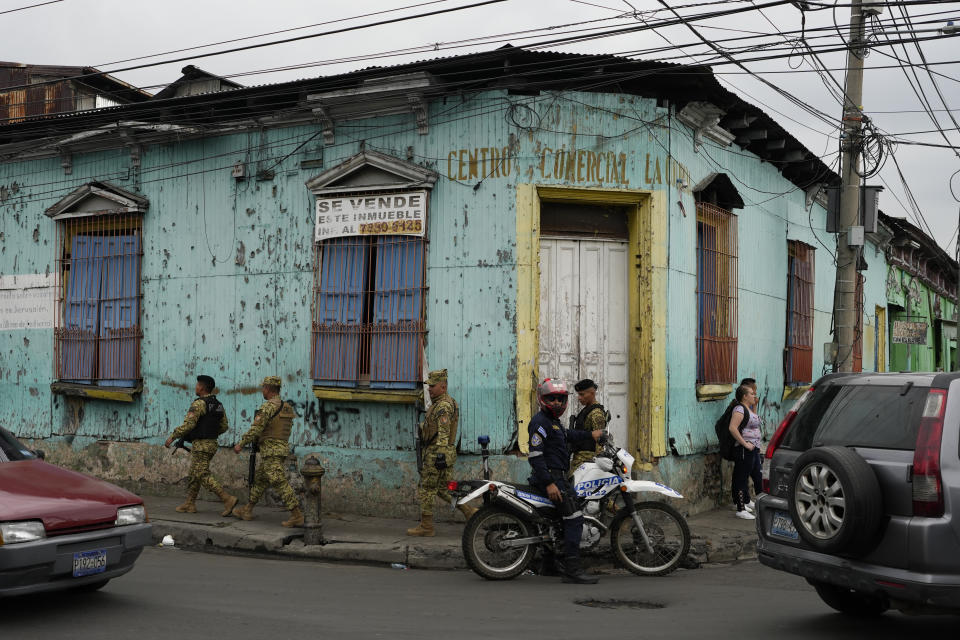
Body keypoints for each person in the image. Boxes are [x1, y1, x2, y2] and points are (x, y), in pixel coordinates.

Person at [528, 378, 604, 584]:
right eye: (551, 399)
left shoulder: (553, 423)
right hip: (552, 478)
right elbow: (535, 456)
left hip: (557, 476)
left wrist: (592, 434)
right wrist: (549, 483)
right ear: (543, 399)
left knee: (555, 521)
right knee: (574, 517)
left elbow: (568, 434)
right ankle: (573, 569)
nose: (557, 403)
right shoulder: (540, 422)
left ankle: (549, 564)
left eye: (560, 399)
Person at [407, 369, 477, 537]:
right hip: (444, 452)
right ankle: (469, 511)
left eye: (433, 386)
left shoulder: (443, 406)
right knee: (443, 488)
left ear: (443, 387)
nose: (429, 389)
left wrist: (440, 454)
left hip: (437, 452)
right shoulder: (441, 402)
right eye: (428, 386)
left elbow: (443, 432)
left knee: (426, 488)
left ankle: (426, 526)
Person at [231, 376, 303, 528]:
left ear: (269, 389)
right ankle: (247, 509)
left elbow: (256, 429)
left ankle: (297, 514)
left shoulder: (268, 407)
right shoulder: (287, 407)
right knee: (261, 480)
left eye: (263, 387)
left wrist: (241, 444)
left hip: (271, 450)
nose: (262, 390)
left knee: (278, 480)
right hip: (281, 448)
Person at [164, 375, 236, 516]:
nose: (195, 387)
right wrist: (211, 434)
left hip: (202, 444)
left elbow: (189, 424)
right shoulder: (218, 405)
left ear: (202, 387)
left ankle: (227, 499)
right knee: (194, 473)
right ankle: (190, 503)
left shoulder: (199, 404)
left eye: (197, 385)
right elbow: (224, 426)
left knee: (201, 474)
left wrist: (173, 436)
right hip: (211, 443)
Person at [728, 384, 763, 520]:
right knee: (741, 479)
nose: (754, 395)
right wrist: (745, 444)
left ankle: (749, 502)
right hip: (744, 449)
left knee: (756, 476)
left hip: (754, 449)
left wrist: (754, 406)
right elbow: (732, 428)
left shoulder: (748, 409)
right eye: (751, 393)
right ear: (744, 396)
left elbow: (753, 421)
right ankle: (741, 509)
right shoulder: (739, 409)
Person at [569, 379, 608, 474]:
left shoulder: (596, 413)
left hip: (587, 462)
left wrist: (598, 466)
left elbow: (600, 440)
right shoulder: (587, 410)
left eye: (582, 394)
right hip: (580, 460)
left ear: (592, 393)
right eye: (579, 394)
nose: (579, 398)